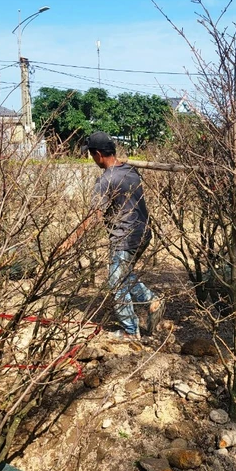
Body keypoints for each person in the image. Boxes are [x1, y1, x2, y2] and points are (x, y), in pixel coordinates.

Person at [61, 131, 164, 341]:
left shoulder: (105, 181)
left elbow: (93, 217)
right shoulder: (131, 171)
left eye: (91, 155)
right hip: (143, 233)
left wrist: (70, 240)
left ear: (98, 154)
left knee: (117, 283)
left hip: (124, 237)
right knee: (123, 276)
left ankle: (130, 330)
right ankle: (152, 301)